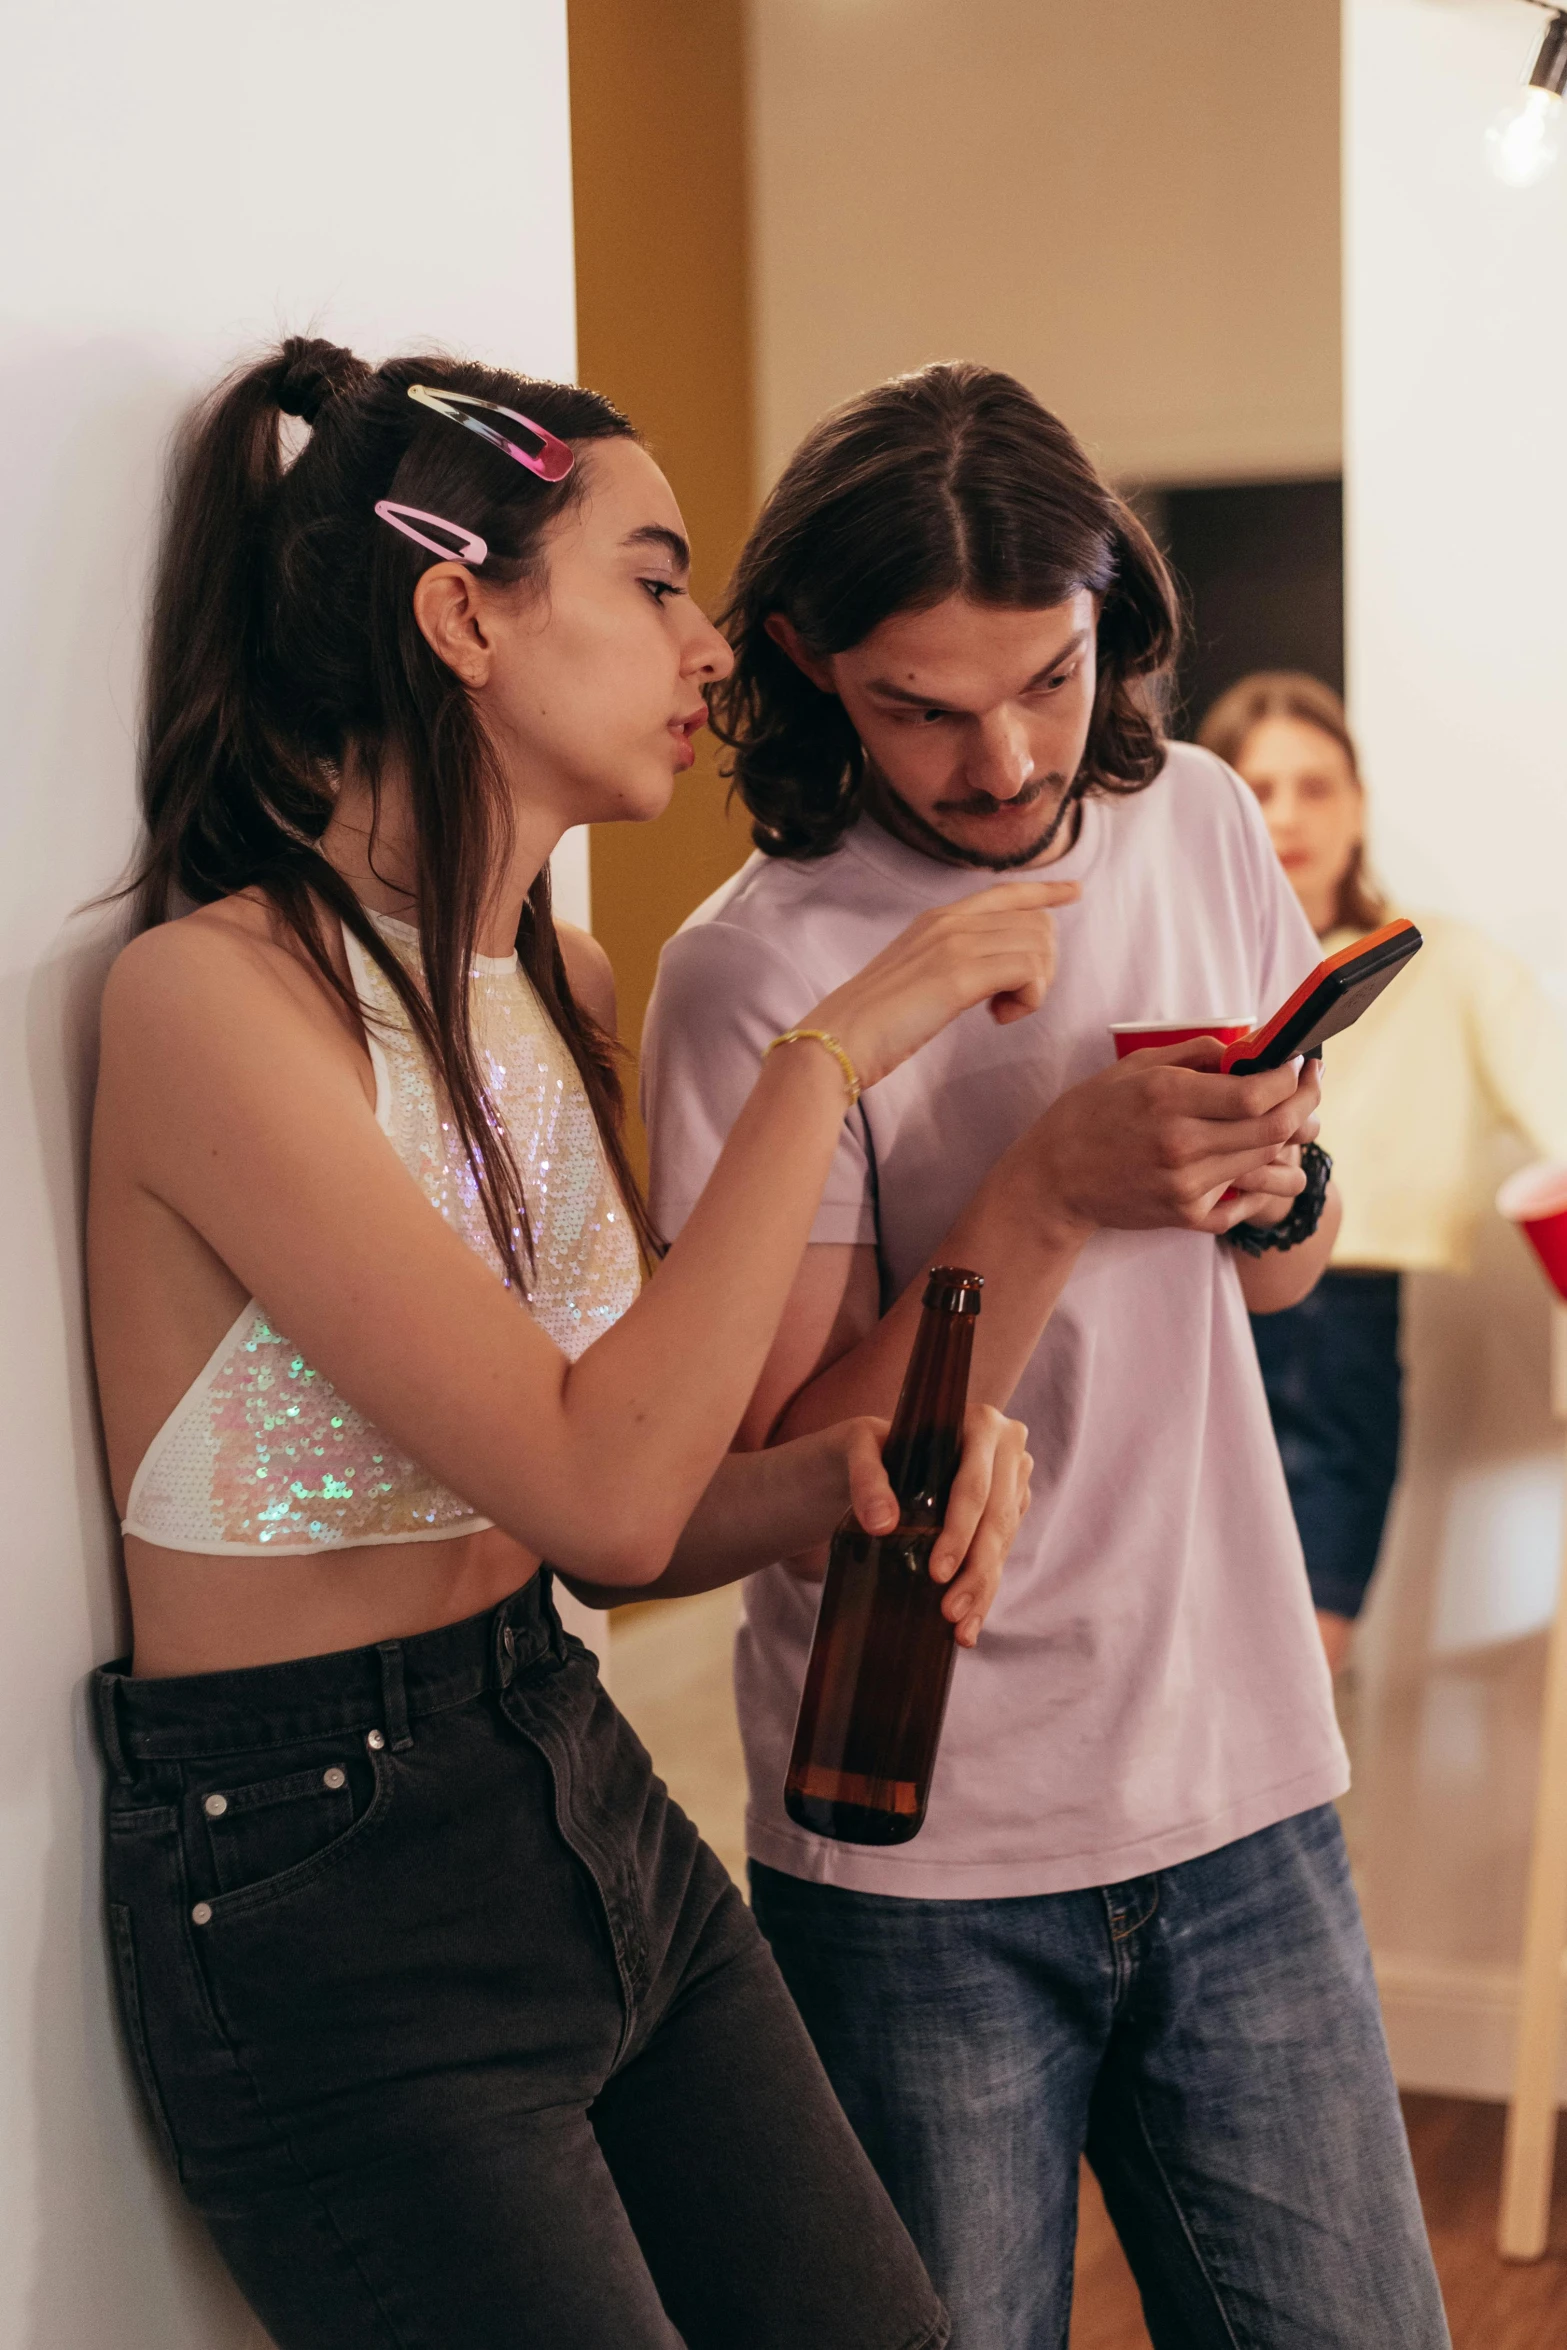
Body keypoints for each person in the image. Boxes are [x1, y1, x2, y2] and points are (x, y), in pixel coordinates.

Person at [86, 336, 1051, 2350]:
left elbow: (623, 1506)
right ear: (462, 612)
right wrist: (842, 1040)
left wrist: (830, 1480)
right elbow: (600, 1474)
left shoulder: (559, 975)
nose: (714, 648)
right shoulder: (208, 1005)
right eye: (654, 577)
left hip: (570, 1769)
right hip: (327, 1882)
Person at [642, 365, 1450, 2349]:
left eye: (1050, 680)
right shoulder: (754, 966)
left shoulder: (1190, 819)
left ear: (1118, 629)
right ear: (812, 664)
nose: (1003, 759)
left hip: (1245, 1774)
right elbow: (785, 1479)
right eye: (925, 703)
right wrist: (1048, 1187)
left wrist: (1273, 1184)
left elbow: (1276, 1279)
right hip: (925, 1844)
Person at [1200, 672, 1567, 1671]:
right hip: (1180, 1302)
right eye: (1259, 787)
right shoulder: (1178, 965)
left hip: (1339, 1314)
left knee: (1307, 1619)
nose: (1289, 814)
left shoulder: (1441, 962)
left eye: (1316, 786)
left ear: (1358, 803)